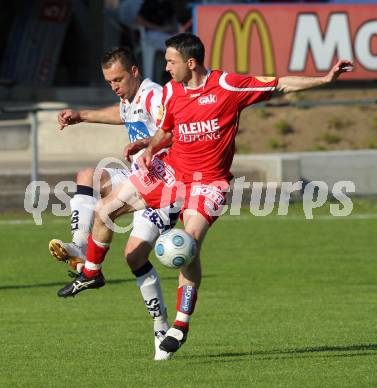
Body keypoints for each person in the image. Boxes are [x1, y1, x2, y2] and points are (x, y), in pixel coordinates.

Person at [57, 33, 353, 356]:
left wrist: (326, 79)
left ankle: (180, 324)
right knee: (105, 209)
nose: (166, 68)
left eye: (170, 61)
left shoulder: (228, 87)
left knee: (188, 245)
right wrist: (149, 145)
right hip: (170, 172)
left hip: (208, 184)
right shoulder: (172, 92)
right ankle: (91, 273)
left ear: (191, 63)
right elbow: (167, 129)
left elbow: (281, 84)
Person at [50, 47, 181, 361]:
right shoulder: (130, 98)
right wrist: (82, 116)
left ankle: (160, 326)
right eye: (109, 81)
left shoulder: (154, 96)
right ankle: (82, 251)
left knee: (133, 256)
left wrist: (150, 143)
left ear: (135, 71)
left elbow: (178, 130)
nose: (115, 86)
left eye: (119, 79)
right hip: (139, 176)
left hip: (164, 187)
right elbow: (120, 113)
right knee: (87, 176)